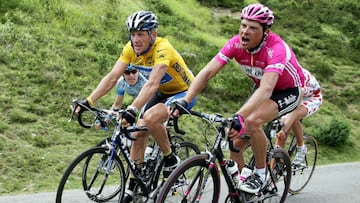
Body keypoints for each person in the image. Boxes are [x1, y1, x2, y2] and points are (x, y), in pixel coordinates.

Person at [172, 3, 305, 194]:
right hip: (261, 88)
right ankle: (243, 190)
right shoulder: (235, 43)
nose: (245, 31)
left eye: (253, 28)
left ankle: (260, 175)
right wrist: (185, 100)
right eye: (243, 25)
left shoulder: (276, 49)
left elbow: (267, 89)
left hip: (287, 91)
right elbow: (207, 72)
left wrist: (240, 116)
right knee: (235, 144)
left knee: (251, 121)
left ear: (265, 31)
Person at [77, 11, 196, 202]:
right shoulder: (130, 49)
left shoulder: (163, 47)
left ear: (153, 34)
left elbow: (152, 83)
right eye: (133, 34)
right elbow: (112, 77)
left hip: (184, 92)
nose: (136, 39)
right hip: (161, 92)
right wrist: (89, 101)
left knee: (150, 117)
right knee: (137, 133)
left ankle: (171, 160)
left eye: (141, 34)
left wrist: (132, 108)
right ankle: (132, 186)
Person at [275, 68, 322, 165]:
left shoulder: (299, 75)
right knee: (283, 127)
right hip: (295, 94)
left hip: (312, 97)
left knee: (292, 116)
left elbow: (295, 104)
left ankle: (301, 147)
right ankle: (273, 170)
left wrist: (284, 127)